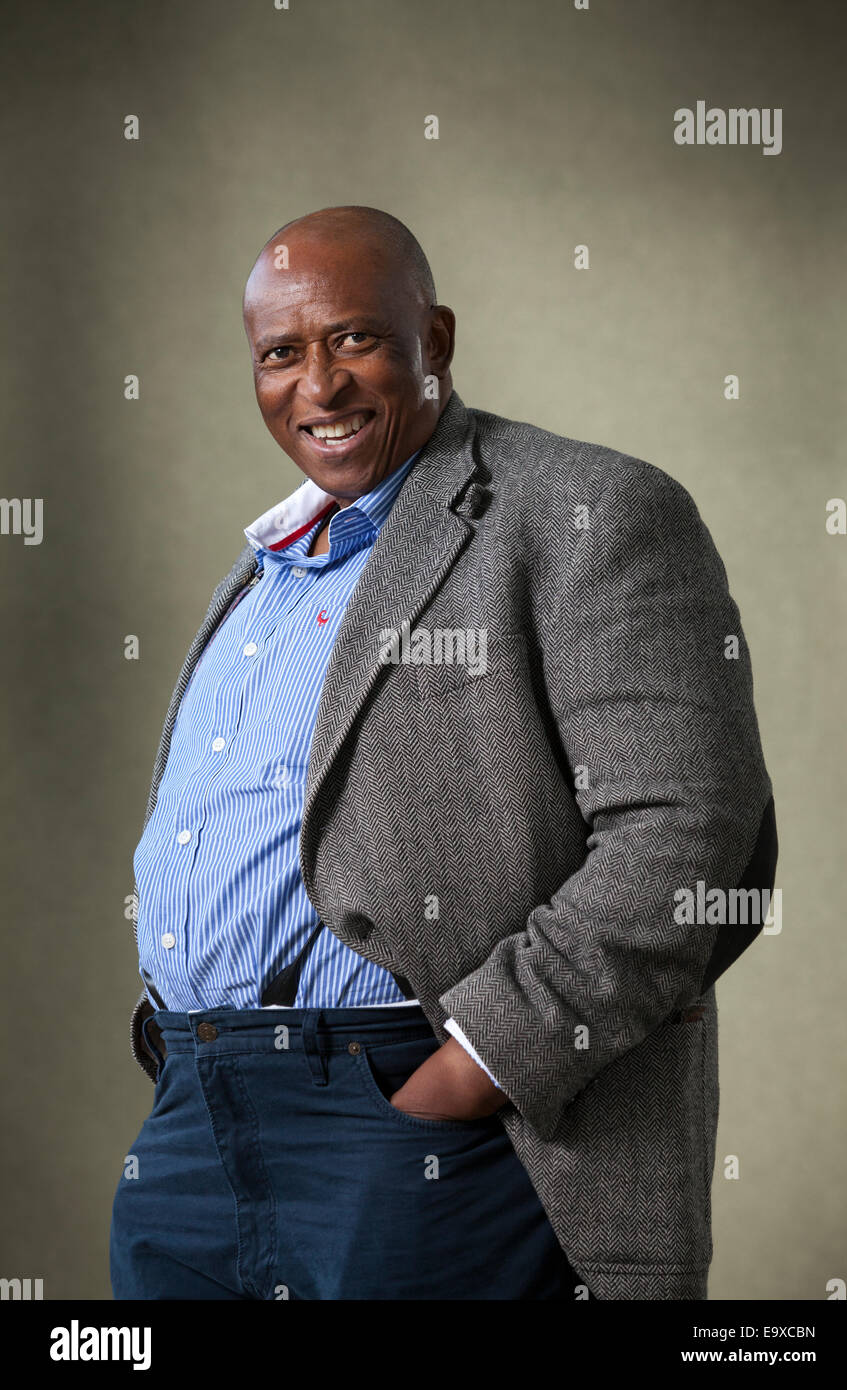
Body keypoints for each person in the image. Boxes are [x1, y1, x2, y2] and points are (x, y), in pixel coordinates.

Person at [110, 205, 777, 1301]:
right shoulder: (269, 566)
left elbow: (691, 843)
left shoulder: (584, 512)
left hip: (413, 1119)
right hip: (193, 1120)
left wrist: (469, 1072)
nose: (315, 385)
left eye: (354, 339)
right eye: (279, 353)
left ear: (437, 340)